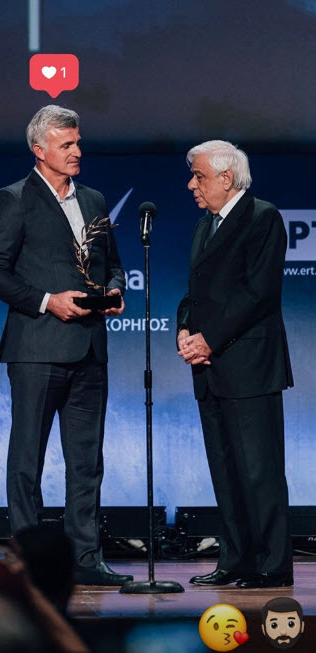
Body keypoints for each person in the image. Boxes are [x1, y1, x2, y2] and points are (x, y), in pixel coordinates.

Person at [0, 105, 129, 586]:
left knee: (87, 462)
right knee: (27, 461)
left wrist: (115, 290)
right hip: (37, 349)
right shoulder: (14, 199)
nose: (77, 151)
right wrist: (47, 301)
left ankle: (86, 559)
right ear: (39, 150)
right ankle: (30, 562)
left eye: (77, 142)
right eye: (67, 144)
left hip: (90, 349)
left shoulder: (94, 199)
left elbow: (113, 264)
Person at [178, 140, 293, 589]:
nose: (192, 185)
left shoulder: (262, 217)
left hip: (249, 366)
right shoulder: (203, 226)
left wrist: (210, 338)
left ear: (226, 178)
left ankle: (271, 565)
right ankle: (236, 561)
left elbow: (258, 293)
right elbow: (195, 293)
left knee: (259, 471)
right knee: (225, 473)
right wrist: (184, 330)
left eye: (199, 176)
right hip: (210, 370)